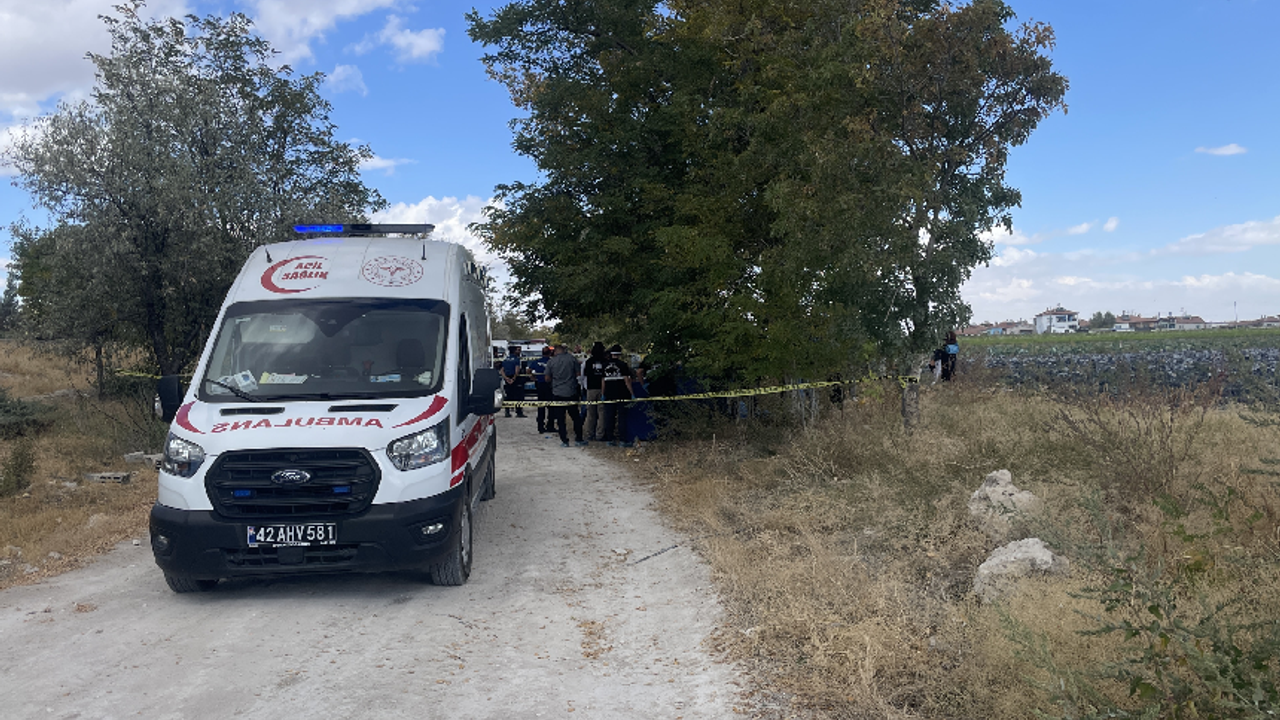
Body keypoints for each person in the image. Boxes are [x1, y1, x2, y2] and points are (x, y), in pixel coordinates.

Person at [545, 344, 586, 446]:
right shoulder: (572, 359)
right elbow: (578, 374)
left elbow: (547, 378)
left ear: (555, 351)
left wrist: (554, 381)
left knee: (560, 418)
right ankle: (579, 438)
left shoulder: (551, 361)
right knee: (575, 417)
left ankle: (564, 440)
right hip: (571, 392)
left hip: (557, 393)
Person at [599, 344, 634, 447]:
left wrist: (603, 394)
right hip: (622, 394)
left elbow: (603, 381)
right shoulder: (623, 365)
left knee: (609, 417)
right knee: (621, 417)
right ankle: (622, 440)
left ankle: (610, 439)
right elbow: (627, 381)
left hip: (609, 394)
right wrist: (632, 393)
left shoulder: (604, 365)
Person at [582, 342, 608, 441]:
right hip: (603, 389)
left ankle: (590, 433)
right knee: (602, 412)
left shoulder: (588, 362)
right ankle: (600, 434)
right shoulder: (605, 362)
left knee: (591, 413)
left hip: (591, 389)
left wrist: (584, 388)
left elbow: (584, 375)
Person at [527, 345, 553, 432]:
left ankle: (540, 426)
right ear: (550, 353)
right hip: (550, 385)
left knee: (541, 405)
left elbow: (528, 370)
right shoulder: (551, 361)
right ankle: (550, 426)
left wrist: (533, 377)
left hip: (540, 384)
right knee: (551, 406)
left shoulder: (537, 361)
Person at [500, 345, 526, 417]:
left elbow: (501, 370)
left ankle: (507, 412)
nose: (519, 351)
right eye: (517, 350)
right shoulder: (516, 359)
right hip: (516, 379)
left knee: (508, 395)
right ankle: (519, 412)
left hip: (507, 379)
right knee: (518, 396)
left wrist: (506, 378)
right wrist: (513, 379)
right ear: (514, 351)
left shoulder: (506, 359)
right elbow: (517, 370)